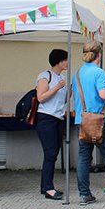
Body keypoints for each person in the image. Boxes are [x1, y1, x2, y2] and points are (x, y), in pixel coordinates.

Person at [72, 41, 105, 206]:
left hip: (82, 119)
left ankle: (84, 195)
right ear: (99, 55)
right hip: (99, 120)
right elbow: (103, 94)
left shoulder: (77, 73)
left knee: (83, 157)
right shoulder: (99, 72)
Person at [35, 49, 68, 200]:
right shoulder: (45, 76)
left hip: (58, 118)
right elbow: (41, 97)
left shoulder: (62, 78)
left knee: (54, 153)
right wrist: (56, 87)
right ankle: (48, 187)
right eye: (65, 60)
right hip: (46, 117)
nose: (67, 63)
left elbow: (63, 100)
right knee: (50, 153)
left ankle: (46, 185)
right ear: (58, 61)